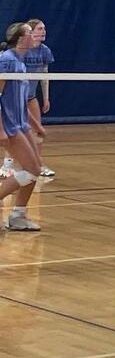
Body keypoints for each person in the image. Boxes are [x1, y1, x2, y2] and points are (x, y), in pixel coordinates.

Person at [0, 23, 44, 231]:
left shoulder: (20, 62)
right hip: (9, 125)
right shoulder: (6, 61)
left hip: (22, 124)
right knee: (31, 170)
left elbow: (21, 100)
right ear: (19, 38)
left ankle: (18, 216)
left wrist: (36, 125)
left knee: (35, 169)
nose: (34, 35)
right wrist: (0, 129)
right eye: (29, 32)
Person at [24, 19, 55, 177]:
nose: (43, 31)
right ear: (31, 32)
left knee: (38, 131)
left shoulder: (45, 51)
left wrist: (46, 98)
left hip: (31, 97)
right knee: (15, 131)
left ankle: (39, 164)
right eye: (40, 29)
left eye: (44, 29)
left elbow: (44, 76)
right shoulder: (21, 50)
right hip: (15, 97)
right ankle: (7, 165)